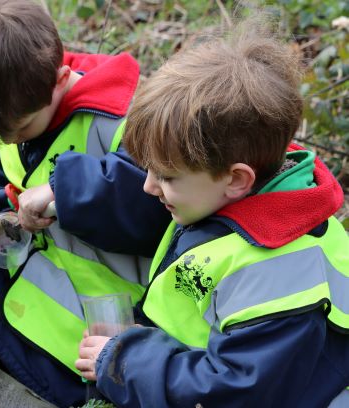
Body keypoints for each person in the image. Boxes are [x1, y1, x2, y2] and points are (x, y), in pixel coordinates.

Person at [75, 20, 349, 408]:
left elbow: (233, 393)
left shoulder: (276, 271)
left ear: (236, 178)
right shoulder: (222, 204)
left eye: (167, 176)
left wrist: (125, 361)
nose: (148, 187)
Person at [0, 0, 171, 406]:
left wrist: (63, 194)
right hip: (42, 279)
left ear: (60, 80)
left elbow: (149, 210)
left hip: (117, 310)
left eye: (20, 130)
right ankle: (5, 345)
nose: (9, 142)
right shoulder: (11, 114)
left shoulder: (124, 120)